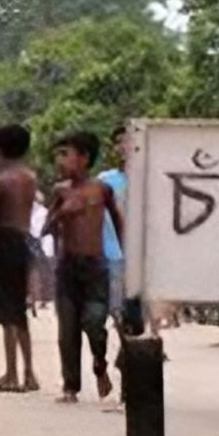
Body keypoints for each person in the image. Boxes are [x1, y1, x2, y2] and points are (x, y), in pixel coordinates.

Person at [46, 130, 125, 404]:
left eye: (66, 154)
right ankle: (70, 386)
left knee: (93, 321)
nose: (61, 160)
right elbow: (46, 228)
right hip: (68, 266)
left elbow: (118, 222)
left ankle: (100, 362)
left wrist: (127, 256)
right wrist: (62, 213)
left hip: (95, 266)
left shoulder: (101, 190)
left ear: (83, 158)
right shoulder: (60, 191)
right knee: (67, 330)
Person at [0, 124, 41, 393]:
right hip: (22, 239)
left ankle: (11, 374)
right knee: (19, 310)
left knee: (6, 310)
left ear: (0, 148)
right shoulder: (30, 177)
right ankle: (29, 373)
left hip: (3, 241)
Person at [101, 127, 136, 335]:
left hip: (141, 251)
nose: (124, 146)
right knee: (117, 304)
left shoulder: (149, 176)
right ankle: (127, 343)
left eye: (128, 141)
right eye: (120, 142)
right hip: (113, 249)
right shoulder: (105, 180)